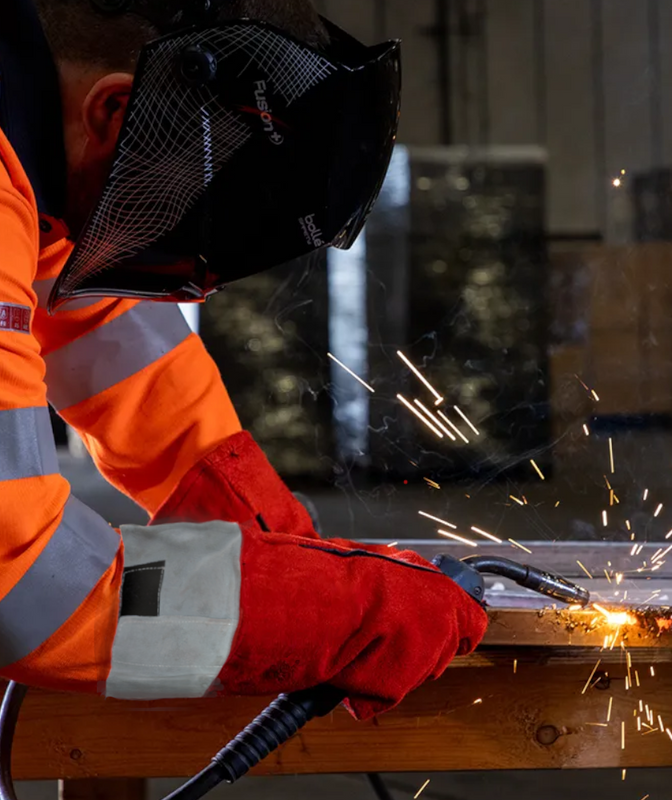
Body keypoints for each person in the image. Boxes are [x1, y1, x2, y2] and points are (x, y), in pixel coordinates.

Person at [0, 0, 486, 719]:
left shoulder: (28, 139)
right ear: (115, 112)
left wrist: (252, 519)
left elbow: (89, 317)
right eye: (164, 213)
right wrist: (334, 609)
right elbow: (28, 591)